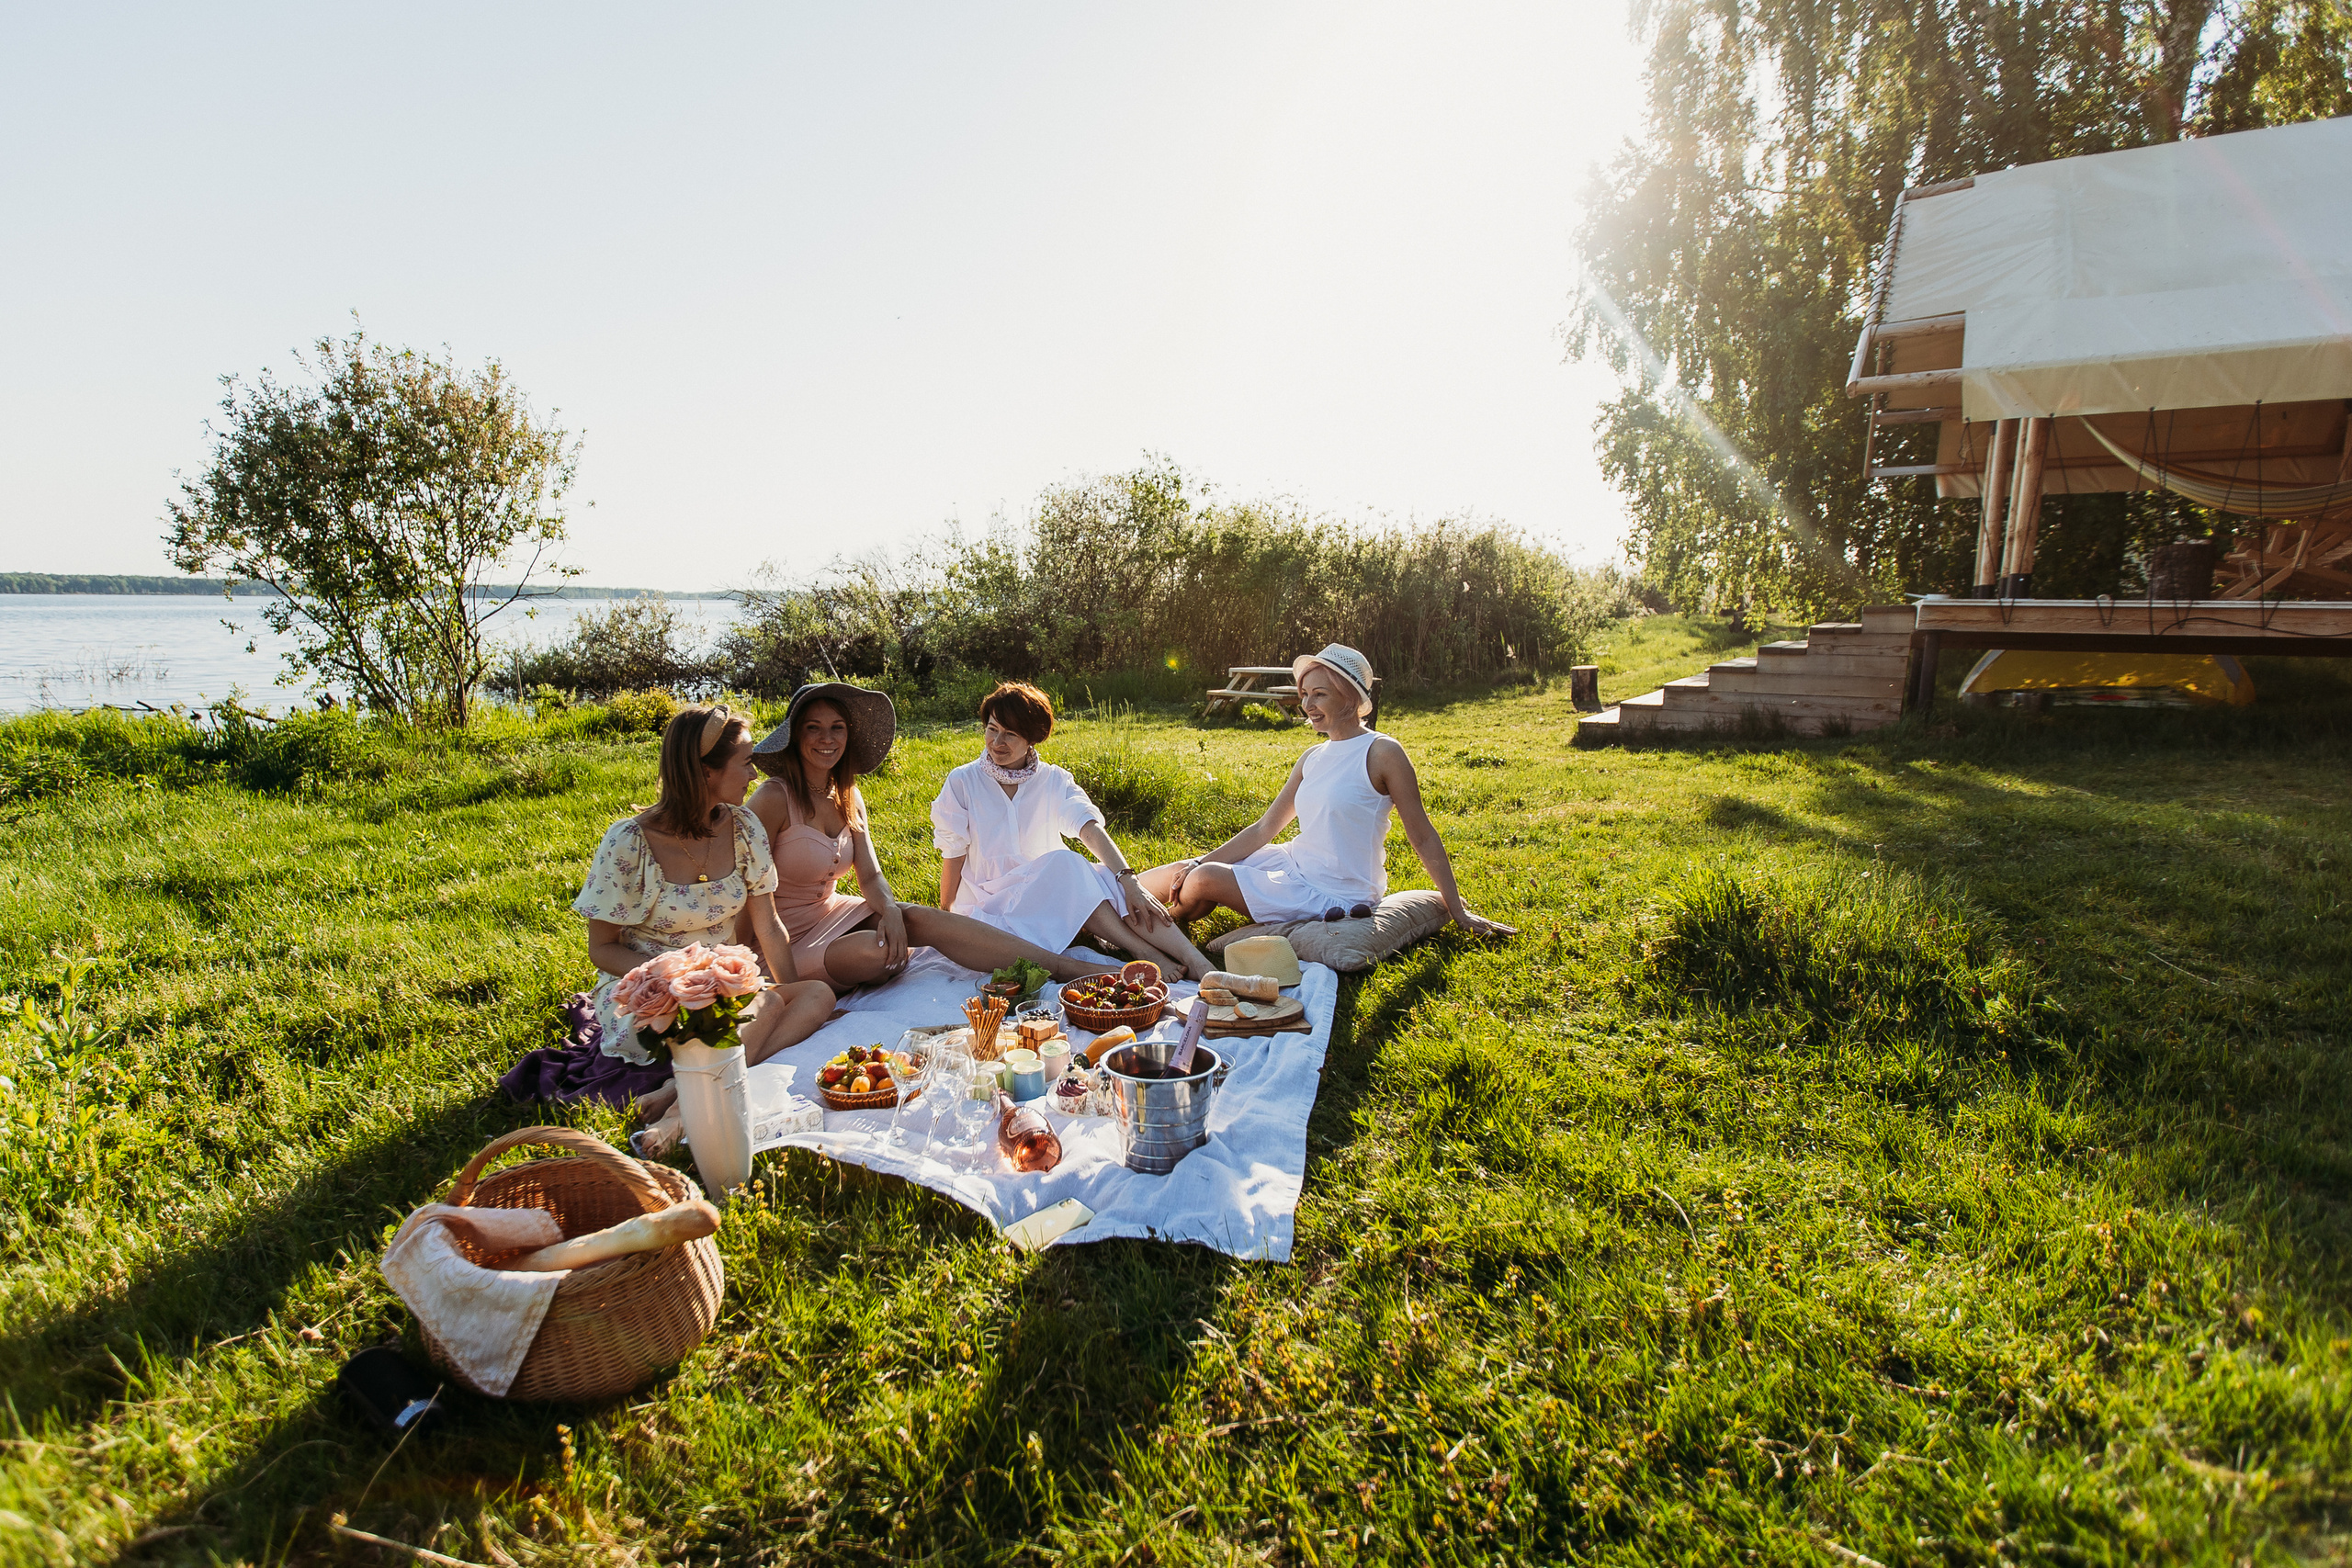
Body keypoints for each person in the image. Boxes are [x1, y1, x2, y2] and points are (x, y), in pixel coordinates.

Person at [567, 704, 838, 1150]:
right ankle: (680, 1116)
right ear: (705, 771)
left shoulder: (744, 827)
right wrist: (674, 979)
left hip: (722, 986)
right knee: (767, 1007)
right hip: (650, 992)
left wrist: (788, 992)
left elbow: (769, 926)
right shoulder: (629, 841)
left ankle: (676, 1089)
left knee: (816, 996)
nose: (753, 775)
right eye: (745, 762)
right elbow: (602, 948)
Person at [742, 682, 1107, 988]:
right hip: (779, 939)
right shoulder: (773, 798)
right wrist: (784, 989)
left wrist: (889, 910)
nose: (827, 738)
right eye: (814, 728)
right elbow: (746, 898)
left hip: (832, 911)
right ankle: (849, 967)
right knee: (880, 952)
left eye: (837, 728)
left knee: (918, 918)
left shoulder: (847, 794)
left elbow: (869, 875)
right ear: (795, 734)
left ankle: (1064, 968)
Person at [1136, 644, 1515, 939]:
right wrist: (1197, 862)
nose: (1307, 705)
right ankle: (1114, 902)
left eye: (1319, 694)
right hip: (1293, 865)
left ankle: (1149, 926)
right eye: (1304, 694)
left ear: (1350, 697)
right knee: (1187, 870)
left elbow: (1423, 836)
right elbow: (1265, 828)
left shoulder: (1383, 753)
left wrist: (1458, 911)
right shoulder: (1312, 757)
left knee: (1204, 880)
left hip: (1337, 892)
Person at [932, 682, 1216, 980]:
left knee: (1112, 880)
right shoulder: (963, 781)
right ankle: (1142, 951)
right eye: (992, 729)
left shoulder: (1053, 779)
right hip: (990, 910)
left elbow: (1088, 828)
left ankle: (1195, 959)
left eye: (1010, 734)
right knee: (1067, 863)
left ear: (1033, 737)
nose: (997, 741)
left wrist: (1130, 882)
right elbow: (953, 852)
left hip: (1050, 899)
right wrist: (945, 914)